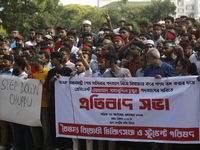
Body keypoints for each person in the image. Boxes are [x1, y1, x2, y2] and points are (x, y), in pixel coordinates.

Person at [47, 52, 72, 149]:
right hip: (54, 100)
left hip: (65, 101)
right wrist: (51, 81)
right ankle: (57, 145)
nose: (51, 61)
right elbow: (49, 89)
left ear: (58, 60)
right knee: (54, 123)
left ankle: (67, 145)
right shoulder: (51, 72)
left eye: (53, 59)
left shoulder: (67, 70)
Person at [29, 54, 53, 150]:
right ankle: (37, 145)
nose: (31, 63)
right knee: (33, 126)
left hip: (44, 103)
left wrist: (45, 83)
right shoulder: (31, 71)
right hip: (33, 104)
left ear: (38, 62)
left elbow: (51, 87)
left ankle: (48, 145)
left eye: (33, 61)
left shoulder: (47, 72)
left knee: (45, 127)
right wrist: (27, 78)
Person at [12, 57, 33, 150]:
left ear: (20, 66)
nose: (13, 67)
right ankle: (17, 146)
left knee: (25, 129)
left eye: (15, 65)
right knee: (16, 128)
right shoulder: (12, 78)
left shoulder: (26, 77)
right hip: (14, 107)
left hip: (24, 108)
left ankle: (27, 146)